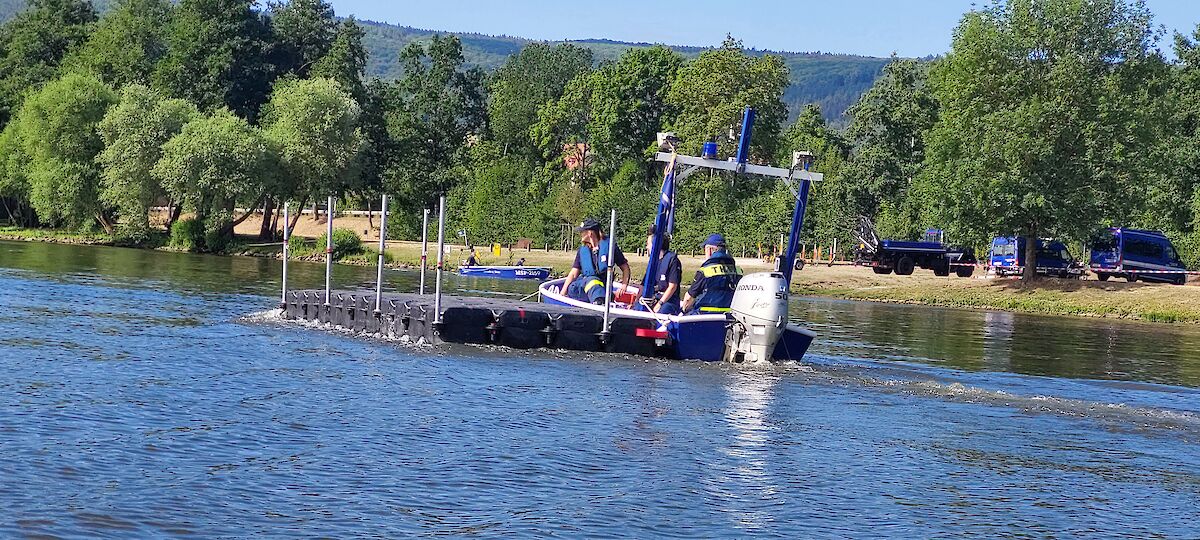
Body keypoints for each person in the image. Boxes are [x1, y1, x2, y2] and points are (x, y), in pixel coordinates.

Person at [560, 218, 631, 304]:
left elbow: (625, 267)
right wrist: (562, 293)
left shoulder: (610, 247)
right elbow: (574, 273)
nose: (580, 234)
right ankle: (598, 301)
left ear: (590, 233)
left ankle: (600, 301)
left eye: (582, 232)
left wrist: (623, 285)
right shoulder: (582, 250)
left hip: (603, 289)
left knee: (595, 283)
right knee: (590, 281)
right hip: (582, 290)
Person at [681, 233, 743, 315]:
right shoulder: (738, 271)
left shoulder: (705, 271)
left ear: (709, 250)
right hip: (729, 317)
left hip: (705, 316)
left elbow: (689, 298)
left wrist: (683, 311)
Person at [644, 226, 682, 314]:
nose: (647, 247)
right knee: (638, 309)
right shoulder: (653, 262)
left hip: (669, 302)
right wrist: (636, 301)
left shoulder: (672, 260)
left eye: (648, 244)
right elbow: (643, 285)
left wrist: (660, 303)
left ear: (655, 245)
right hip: (654, 298)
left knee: (662, 311)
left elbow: (672, 286)